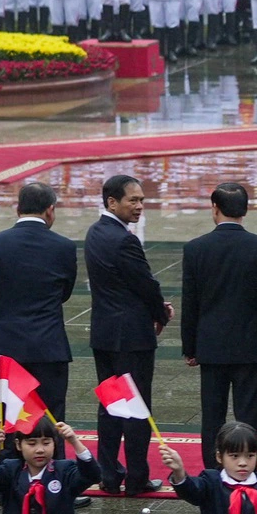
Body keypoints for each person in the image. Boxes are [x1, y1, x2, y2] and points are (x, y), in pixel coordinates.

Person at [0, 181, 79, 478]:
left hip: (7, 350)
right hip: (49, 348)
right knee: (52, 419)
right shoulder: (63, 246)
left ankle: (8, 483)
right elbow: (65, 292)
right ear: (50, 210)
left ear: (17, 209)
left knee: (8, 420)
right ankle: (55, 484)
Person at [180, 183, 257, 471]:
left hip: (210, 345)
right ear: (245, 210)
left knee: (212, 413)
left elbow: (192, 304)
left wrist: (190, 347)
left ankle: (213, 470)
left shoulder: (196, 249)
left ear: (215, 209)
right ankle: (248, 465)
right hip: (251, 345)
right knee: (250, 412)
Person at [85, 174, 171, 495]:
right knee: (135, 409)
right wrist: (160, 312)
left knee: (109, 408)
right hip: (131, 337)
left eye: (142, 200)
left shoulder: (95, 233)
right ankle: (136, 478)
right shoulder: (124, 240)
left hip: (104, 334)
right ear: (112, 202)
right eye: (132, 200)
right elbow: (145, 284)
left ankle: (109, 475)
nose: (139, 207)